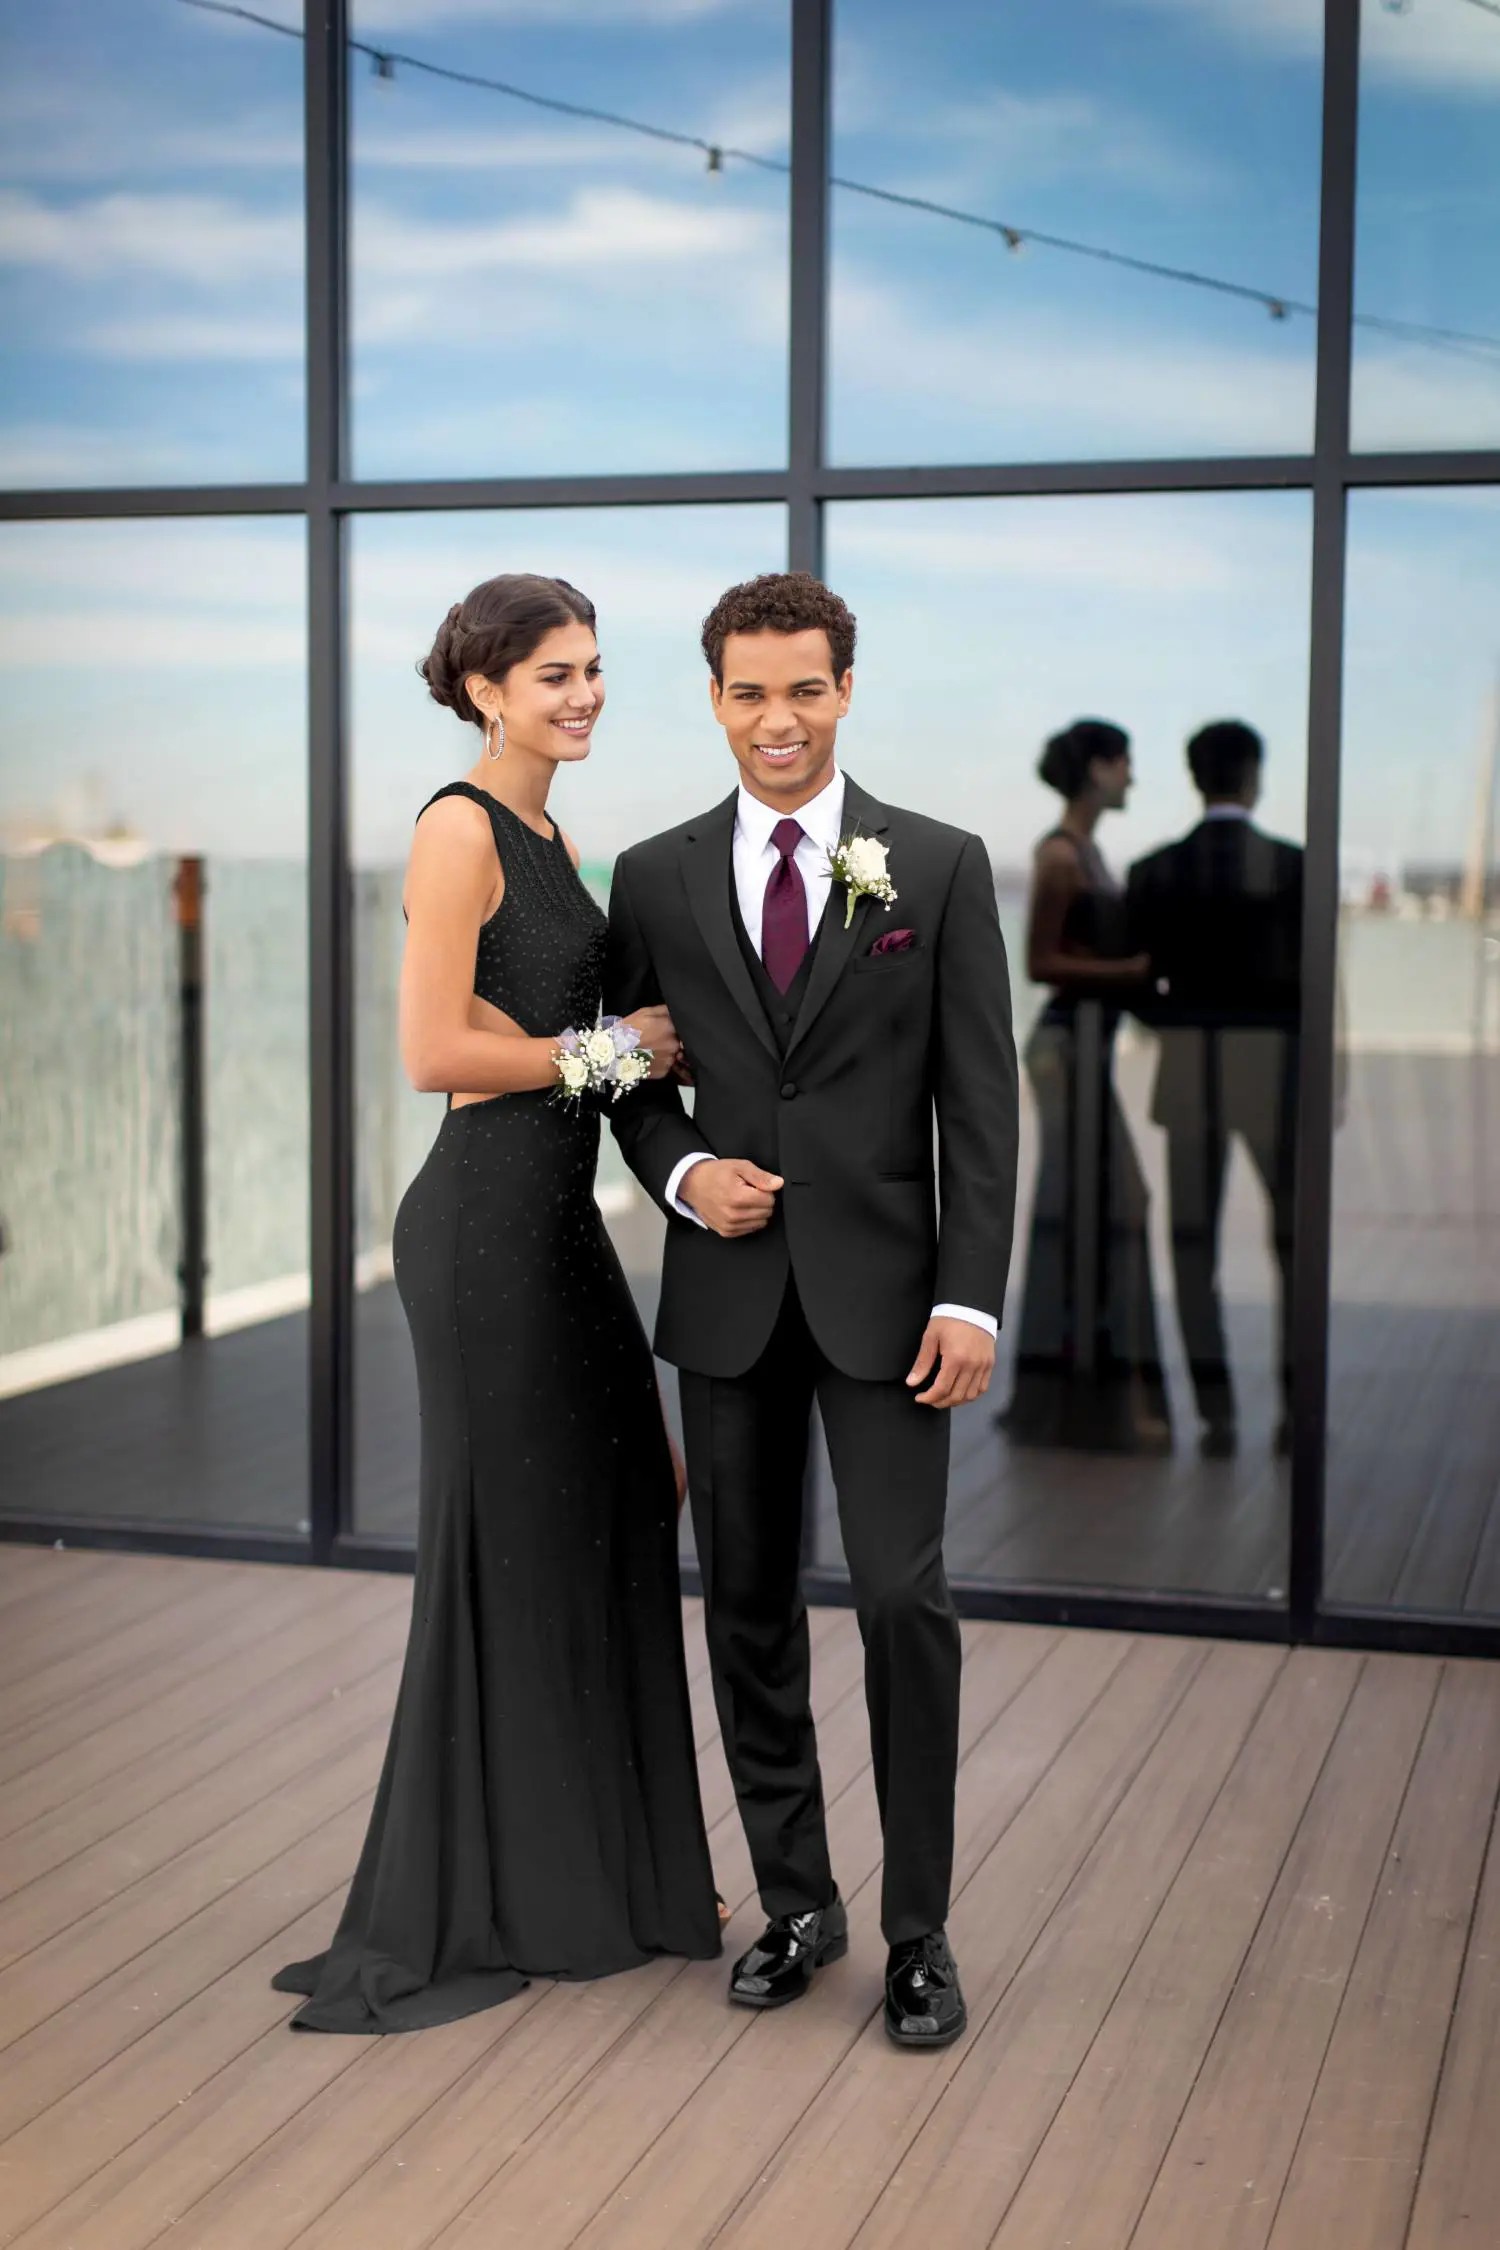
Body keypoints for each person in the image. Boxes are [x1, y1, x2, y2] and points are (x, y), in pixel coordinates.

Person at [274, 573, 722, 2033]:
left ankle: (611, 1857)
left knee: (623, 1498)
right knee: (516, 1540)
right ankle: (520, 1883)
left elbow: (584, 1029)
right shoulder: (458, 827)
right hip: (478, 1234)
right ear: (482, 689)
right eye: (552, 676)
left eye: (593, 669)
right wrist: (614, 1054)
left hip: (559, 1229)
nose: (583, 694)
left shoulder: (552, 830)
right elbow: (431, 1051)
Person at [606, 571, 1017, 2051]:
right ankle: (797, 1899)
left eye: (805, 688)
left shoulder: (942, 865)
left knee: (906, 1598)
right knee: (752, 1607)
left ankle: (920, 1931)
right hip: (726, 1299)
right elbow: (638, 1079)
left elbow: (982, 1105)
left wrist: (971, 1295)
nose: (778, 718)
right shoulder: (650, 874)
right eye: (749, 690)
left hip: (897, 1306)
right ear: (714, 698)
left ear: (848, 689)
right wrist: (687, 1167)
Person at [1126, 719, 1302, 1456]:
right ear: (1253, 776)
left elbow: (1138, 984)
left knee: (1191, 1247)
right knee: (1294, 1245)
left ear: (1197, 779)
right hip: (1273, 1075)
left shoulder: (1153, 871)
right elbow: (1313, 984)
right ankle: (1297, 1412)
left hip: (1191, 1074)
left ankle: (1217, 1413)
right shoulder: (1295, 867)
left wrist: (1179, 1022)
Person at [1001, 719, 1171, 1453]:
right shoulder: (1061, 856)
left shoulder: (1088, 852)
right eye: (1125, 763)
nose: (1132, 776)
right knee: (1093, 1204)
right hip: (1065, 1046)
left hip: (1087, 1046)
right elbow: (1039, 963)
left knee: (1101, 1204)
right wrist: (1133, 973)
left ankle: (1083, 1394)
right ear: (1099, 770)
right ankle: (1066, 1399)